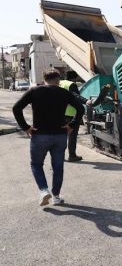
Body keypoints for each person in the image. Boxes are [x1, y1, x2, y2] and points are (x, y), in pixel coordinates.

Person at [12, 68, 85, 206]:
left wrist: (26, 127)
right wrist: (72, 125)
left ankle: (44, 190)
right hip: (60, 136)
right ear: (58, 80)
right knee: (58, 166)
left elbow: (16, 108)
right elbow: (80, 109)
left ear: (44, 79)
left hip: (39, 135)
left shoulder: (34, 91)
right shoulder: (64, 92)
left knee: (36, 164)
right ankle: (56, 196)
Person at [59, 70, 90, 162]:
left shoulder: (60, 83)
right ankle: (72, 155)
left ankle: (60, 155)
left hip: (60, 113)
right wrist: (86, 101)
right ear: (74, 78)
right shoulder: (71, 85)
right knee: (72, 135)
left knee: (62, 135)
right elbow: (75, 95)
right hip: (70, 114)